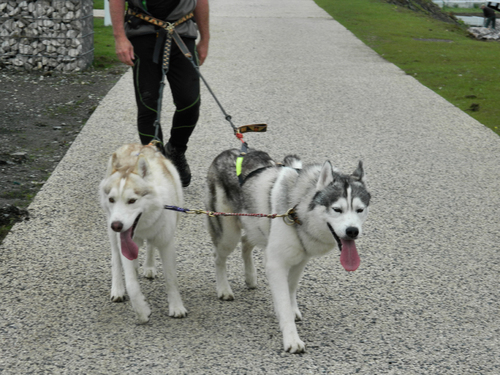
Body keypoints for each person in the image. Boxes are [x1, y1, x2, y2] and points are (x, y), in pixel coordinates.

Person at [109, 0, 210, 187]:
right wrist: (119, 37)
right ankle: (156, 164)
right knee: (148, 103)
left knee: (190, 101)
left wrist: (205, 38)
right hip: (142, 33)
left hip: (181, 32)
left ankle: (176, 150)